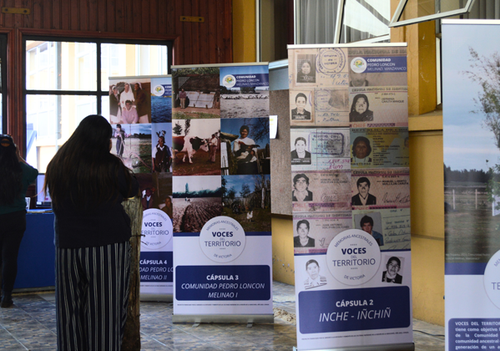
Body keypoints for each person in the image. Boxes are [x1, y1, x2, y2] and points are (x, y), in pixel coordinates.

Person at [44, 115, 139, 350]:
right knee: (105, 314)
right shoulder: (109, 166)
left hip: (67, 246)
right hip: (107, 246)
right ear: (102, 140)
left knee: (69, 312)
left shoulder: (58, 163)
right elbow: (131, 188)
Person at [0, 135, 38, 308]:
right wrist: (19, 157)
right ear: (14, 150)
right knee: (10, 257)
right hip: (16, 218)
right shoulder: (22, 169)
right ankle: (6, 297)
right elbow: (34, 173)